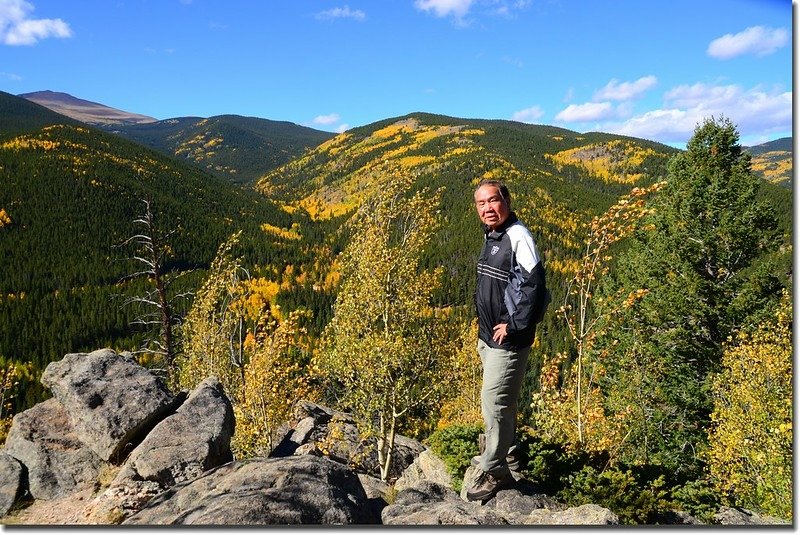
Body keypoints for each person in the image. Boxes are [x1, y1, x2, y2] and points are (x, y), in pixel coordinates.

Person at [467, 179, 546, 502]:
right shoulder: (493, 235)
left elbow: (534, 287)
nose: (487, 208)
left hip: (507, 341)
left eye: (493, 201)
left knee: (494, 402)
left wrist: (511, 325)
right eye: (481, 203)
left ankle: (495, 470)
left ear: (507, 201)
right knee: (500, 402)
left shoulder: (518, 236)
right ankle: (509, 451)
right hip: (489, 337)